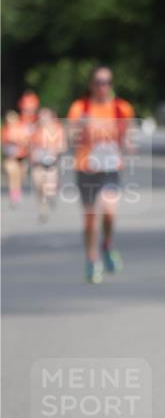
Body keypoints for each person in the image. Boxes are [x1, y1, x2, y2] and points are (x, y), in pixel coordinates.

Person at [67, 68, 135, 284]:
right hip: (86, 168)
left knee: (109, 212)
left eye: (106, 82)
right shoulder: (80, 108)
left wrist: (127, 145)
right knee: (89, 220)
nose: (102, 86)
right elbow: (70, 138)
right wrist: (81, 130)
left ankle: (106, 245)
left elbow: (127, 138)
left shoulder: (121, 108)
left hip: (110, 168)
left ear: (111, 84)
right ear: (91, 85)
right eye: (98, 82)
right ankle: (91, 259)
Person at [29, 108, 67, 222]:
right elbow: (29, 145)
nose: (43, 119)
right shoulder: (34, 130)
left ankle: (51, 196)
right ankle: (42, 210)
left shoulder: (58, 129)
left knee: (49, 187)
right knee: (38, 186)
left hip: (51, 163)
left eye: (45, 117)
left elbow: (63, 146)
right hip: (37, 163)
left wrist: (54, 150)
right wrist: (33, 154)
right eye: (41, 117)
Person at [2, 110, 31, 205]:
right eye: (9, 119)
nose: (11, 121)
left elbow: (28, 141)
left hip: (22, 155)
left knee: (20, 175)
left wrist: (19, 142)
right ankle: (13, 194)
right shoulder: (5, 130)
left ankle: (17, 189)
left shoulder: (22, 128)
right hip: (10, 156)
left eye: (13, 119)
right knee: (12, 174)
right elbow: (3, 144)